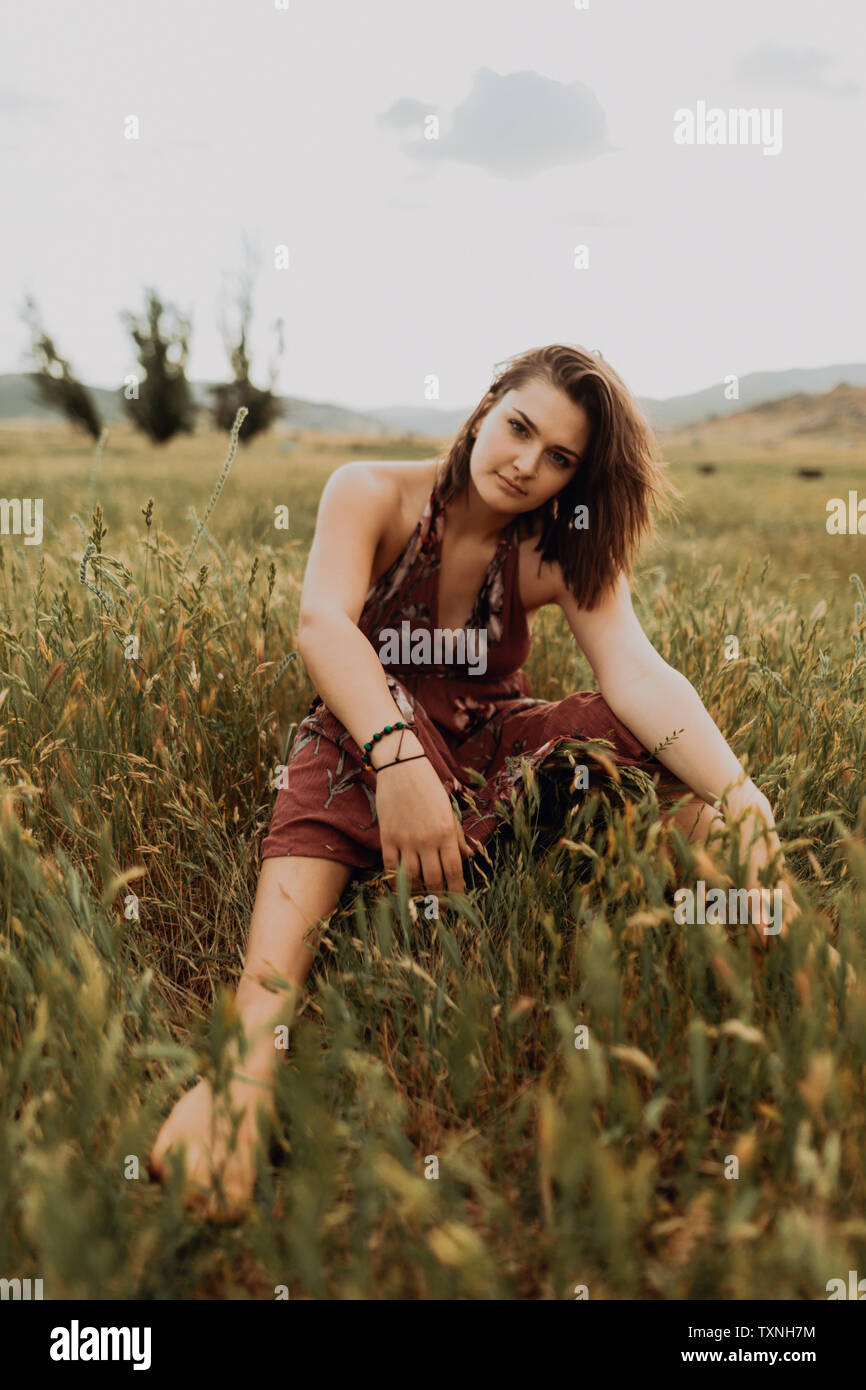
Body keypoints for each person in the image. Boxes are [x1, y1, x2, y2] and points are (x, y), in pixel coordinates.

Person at [149, 343, 797, 1217]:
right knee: (332, 734)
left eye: (560, 457)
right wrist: (397, 756)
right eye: (520, 428)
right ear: (487, 406)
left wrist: (742, 792)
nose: (528, 464)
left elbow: (636, 674)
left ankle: (768, 923)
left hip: (489, 758)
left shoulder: (556, 545)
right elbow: (321, 626)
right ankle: (243, 1071)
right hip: (368, 757)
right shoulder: (369, 492)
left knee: (626, 745)